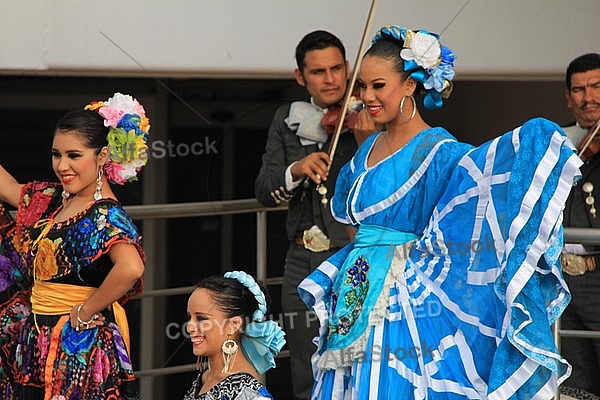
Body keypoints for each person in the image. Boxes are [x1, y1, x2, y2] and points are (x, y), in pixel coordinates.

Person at [298, 25, 582, 399]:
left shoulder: (442, 152)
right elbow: (356, 230)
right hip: (354, 296)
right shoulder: (362, 151)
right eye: (362, 87)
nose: (366, 96)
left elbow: (464, 223)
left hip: (408, 304)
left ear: (411, 85)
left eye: (378, 86)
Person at [254, 30, 378, 399]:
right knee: (305, 362)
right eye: (319, 72)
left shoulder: (368, 112)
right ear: (300, 77)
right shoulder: (288, 118)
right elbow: (264, 189)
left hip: (351, 253)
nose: (331, 79)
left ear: (348, 68)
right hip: (299, 258)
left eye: (337, 69)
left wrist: (364, 140)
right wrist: (296, 168)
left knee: (356, 356)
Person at [0, 92, 149, 399]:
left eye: (74, 155)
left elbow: (131, 267)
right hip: (37, 340)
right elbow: (10, 189)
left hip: (78, 346)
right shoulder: (53, 200)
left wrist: (85, 311)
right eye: (57, 154)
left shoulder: (106, 212)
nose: (62, 165)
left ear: (103, 156)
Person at [559, 53, 600, 398]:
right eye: (579, 89)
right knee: (576, 383)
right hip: (565, 277)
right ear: (568, 97)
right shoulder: (564, 141)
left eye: (597, 86)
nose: (588, 97)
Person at [183, 270, 285, 400]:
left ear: (233, 325)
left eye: (201, 318)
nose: (189, 327)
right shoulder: (204, 379)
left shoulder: (248, 393)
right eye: (189, 317)